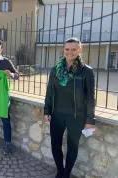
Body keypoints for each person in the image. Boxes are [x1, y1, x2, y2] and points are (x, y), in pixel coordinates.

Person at [44, 37, 95, 178]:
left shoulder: (86, 72)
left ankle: (66, 174)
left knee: (72, 147)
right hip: (57, 114)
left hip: (76, 116)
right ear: (63, 49)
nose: (70, 52)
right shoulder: (55, 70)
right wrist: (47, 110)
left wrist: (90, 119)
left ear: (80, 50)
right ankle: (60, 170)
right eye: (67, 49)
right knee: (55, 146)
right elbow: (50, 91)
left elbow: (90, 97)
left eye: (73, 49)